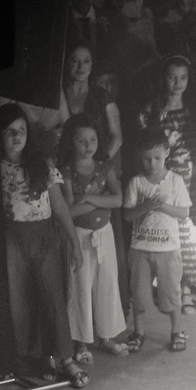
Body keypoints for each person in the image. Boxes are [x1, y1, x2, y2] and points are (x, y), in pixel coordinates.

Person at [0, 103, 87, 387]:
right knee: (20, 302)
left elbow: (60, 207)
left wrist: (75, 244)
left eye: (21, 130)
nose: (16, 136)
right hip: (13, 241)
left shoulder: (42, 165)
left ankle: (66, 359)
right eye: (9, 131)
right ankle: (41, 357)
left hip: (46, 239)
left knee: (52, 299)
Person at [138, 55, 196, 315]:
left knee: (187, 233)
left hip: (189, 177)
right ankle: (165, 286)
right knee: (161, 228)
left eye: (183, 77)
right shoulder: (150, 110)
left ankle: (186, 288)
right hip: (160, 176)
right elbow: (144, 146)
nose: (178, 83)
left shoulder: (194, 109)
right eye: (172, 77)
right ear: (163, 79)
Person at [59, 114, 128, 361]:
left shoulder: (104, 167)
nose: (88, 146)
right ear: (71, 142)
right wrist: (102, 201)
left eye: (93, 139)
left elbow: (118, 200)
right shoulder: (67, 172)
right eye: (81, 141)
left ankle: (106, 335)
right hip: (79, 235)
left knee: (106, 283)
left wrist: (88, 198)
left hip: (104, 233)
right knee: (80, 287)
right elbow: (68, 211)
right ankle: (81, 342)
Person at [123, 127, 191, 352]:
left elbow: (184, 213)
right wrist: (145, 206)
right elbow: (127, 215)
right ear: (139, 157)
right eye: (147, 159)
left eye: (157, 158)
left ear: (167, 153)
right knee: (139, 295)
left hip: (168, 249)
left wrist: (161, 205)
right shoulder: (136, 182)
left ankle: (176, 331)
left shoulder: (175, 181)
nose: (152, 164)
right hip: (140, 248)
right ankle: (138, 332)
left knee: (171, 293)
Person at [59, 44, 123, 169]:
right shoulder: (61, 94)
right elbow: (66, 128)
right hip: (69, 166)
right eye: (74, 60)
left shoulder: (102, 96)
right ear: (66, 62)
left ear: (92, 64)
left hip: (102, 165)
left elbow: (117, 137)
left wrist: (99, 165)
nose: (80, 66)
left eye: (86, 61)